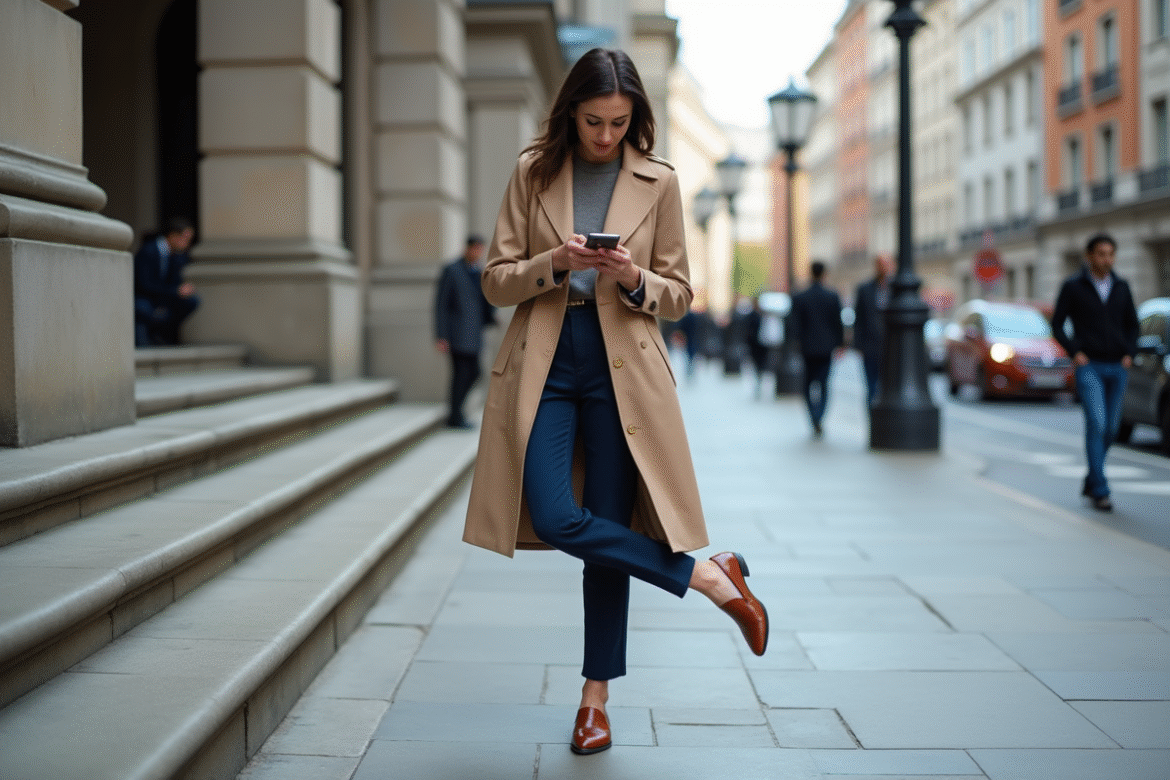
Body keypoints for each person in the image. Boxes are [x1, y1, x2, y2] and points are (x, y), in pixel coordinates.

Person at [460, 48, 769, 757]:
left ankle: (594, 702)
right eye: (594, 121)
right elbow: (496, 281)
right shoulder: (532, 171)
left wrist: (634, 278)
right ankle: (709, 577)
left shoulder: (658, 181)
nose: (605, 136)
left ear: (636, 119)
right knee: (561, 518)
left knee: (606, 542)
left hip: (620, 369)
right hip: (546, 362)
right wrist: (556, 264)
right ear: (572, 111)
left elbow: (681, 295)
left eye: (619, 123)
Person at [1051, 233, 1139, 512]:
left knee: (1111, 428)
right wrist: (1075, 352)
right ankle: (1100, 490)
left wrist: (1129, 353)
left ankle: (1091, 478)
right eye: (1101, 254)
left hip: (1118, 366)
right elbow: (1057, 324)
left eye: (1111, 254)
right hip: (1090, 366)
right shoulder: (1073, 286)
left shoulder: (1122, 286)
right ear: (1090, 256)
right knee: (1097, 425)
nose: (1107, 259)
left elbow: (1133, 325)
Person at [434, 236, 496, 428]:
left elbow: (485, 301)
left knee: (475, 373)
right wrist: (441, 335)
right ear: (467, 248)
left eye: (480, 249)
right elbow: (441, 305)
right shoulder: (451, 270)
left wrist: (491, 317)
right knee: (461, 375)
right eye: (475, 248)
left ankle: (455, 412)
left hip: (474, 334)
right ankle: (455, 416)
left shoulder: (479, 271)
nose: (477, 252)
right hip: (456, 335)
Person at [790, 261, 844, 436]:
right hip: (826, 347)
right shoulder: (832, 296)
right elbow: (838, 323)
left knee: (808, 384)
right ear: (824, 274)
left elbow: (794, 324)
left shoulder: (800, 297)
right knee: (824, 383)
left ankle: (814, 416)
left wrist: (797, 342)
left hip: (808, 347)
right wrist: (840, 343)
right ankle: (819, 416)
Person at [133, 217, 199, 346]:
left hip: (162, 295)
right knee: (143, 308)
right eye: (185, 239)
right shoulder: (149, 251)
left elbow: (175, 281)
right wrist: (175, 291)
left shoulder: (177, 255)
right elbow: (144, 284)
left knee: (191, 301)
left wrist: (182, 289)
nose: (187, 244)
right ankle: (145, 342)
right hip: (143, 295)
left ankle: (164, 336)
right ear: (173, 236)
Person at [853, 253, 893, 408]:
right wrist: (859, 345)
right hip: (870, 347)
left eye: (887, 264)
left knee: (887, 386)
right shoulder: (865, 289)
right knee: (871, 386)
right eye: (881, 264)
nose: (884, 268)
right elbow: (859, 318)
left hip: (890, 348)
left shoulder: (895, 288)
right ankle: (873, 419)